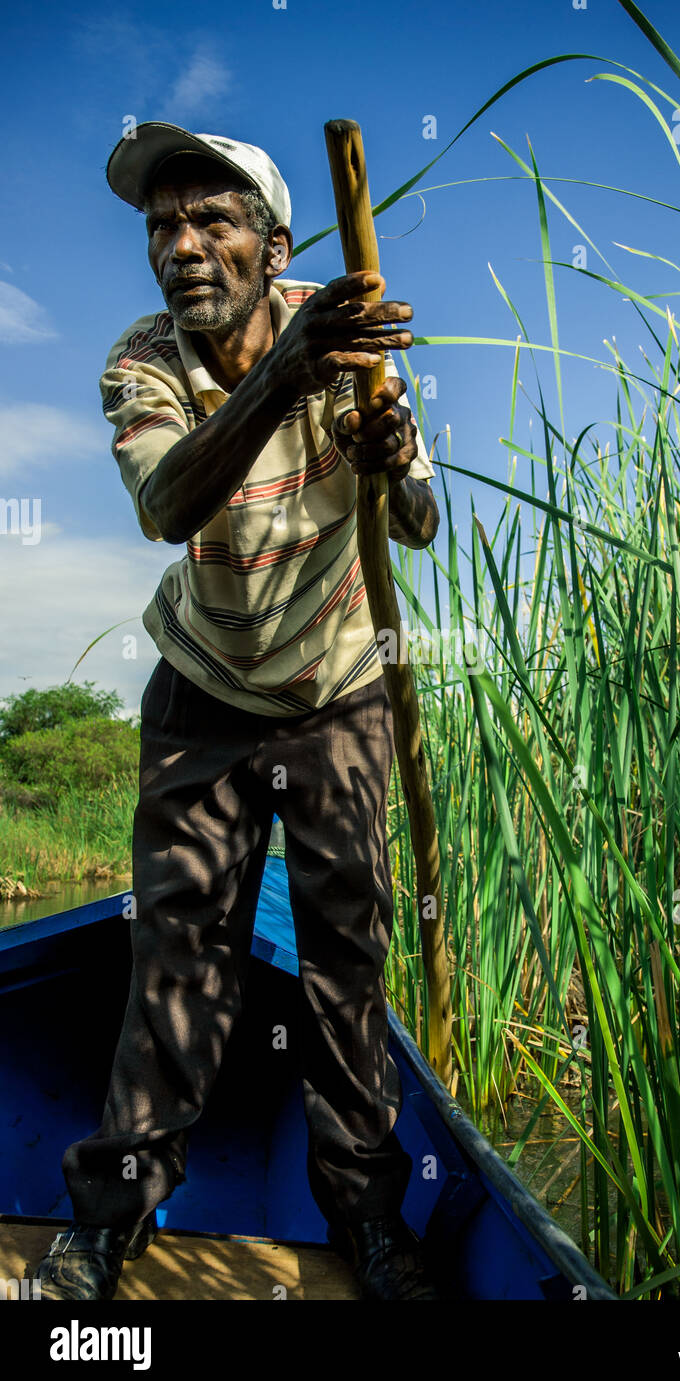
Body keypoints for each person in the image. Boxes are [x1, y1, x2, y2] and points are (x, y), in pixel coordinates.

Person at [33, 122, 441, 1301]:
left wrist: (391, 449)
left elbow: (414, 523)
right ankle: (112, 1220)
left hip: (338, 689)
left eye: (212, 222)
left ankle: (366, 1217)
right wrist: (284, 374)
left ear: (274, 246)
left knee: (344, 964)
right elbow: (167, 503)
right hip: (205, 687)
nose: (182, 246)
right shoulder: (141, 362)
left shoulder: (347, 327)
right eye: (163, 225)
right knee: (178, 955)